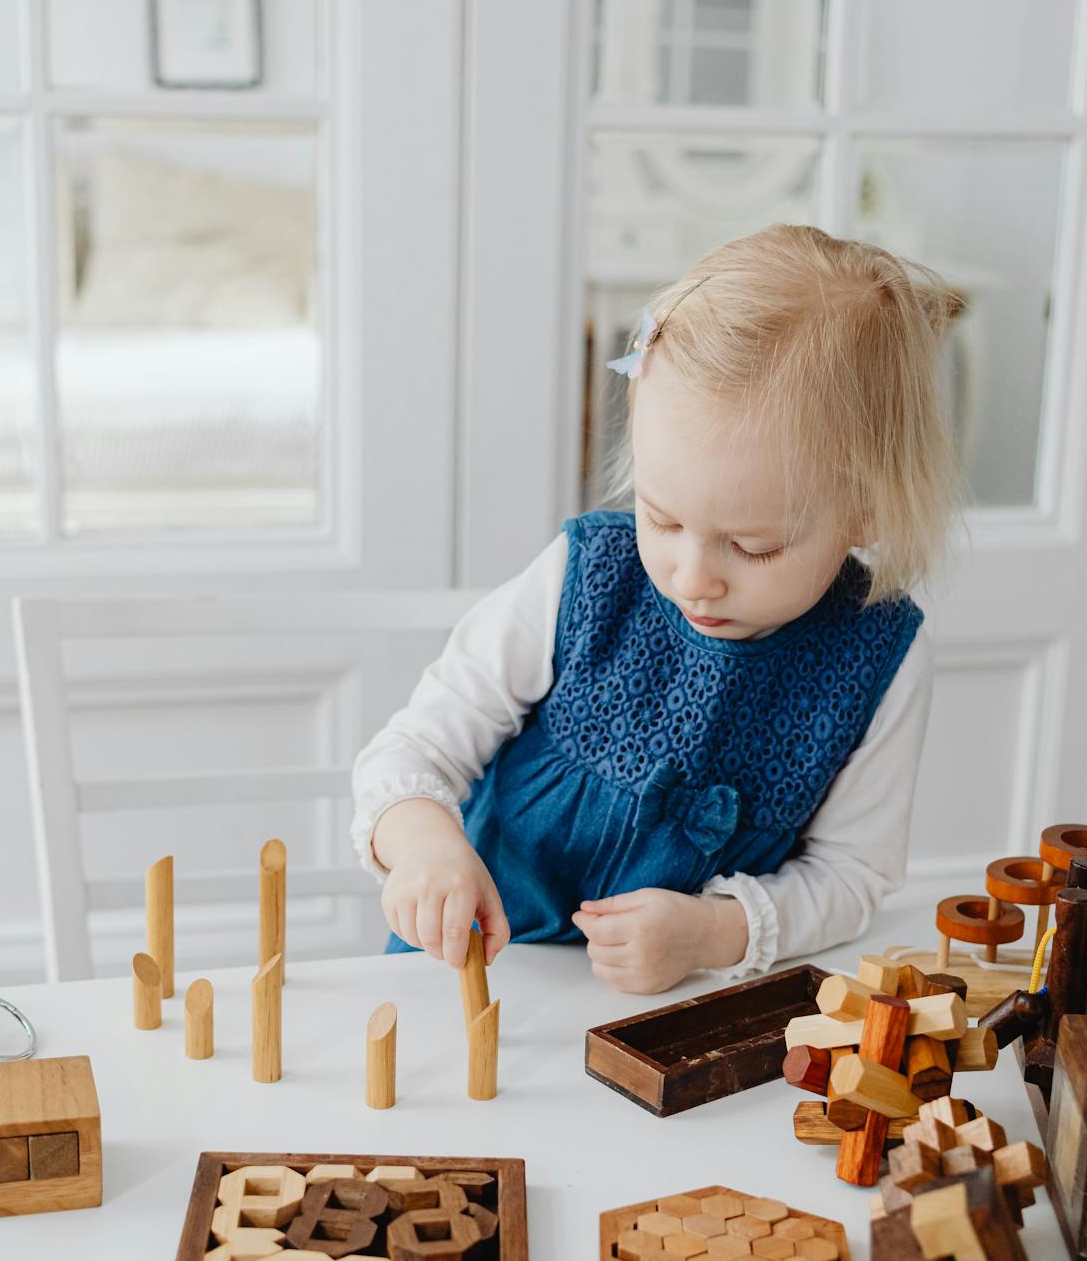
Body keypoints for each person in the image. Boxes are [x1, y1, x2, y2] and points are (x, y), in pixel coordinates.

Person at [351, 223, 960, 996]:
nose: (693, 575)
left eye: (753, 545)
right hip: (476, 977)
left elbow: (850, 875)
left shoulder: (881, 657)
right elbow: (410, 753)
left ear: (865, 513)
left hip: (686, 1001)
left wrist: (715, 932)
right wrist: (423, 848)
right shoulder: (585, 578)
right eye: (661, 519)